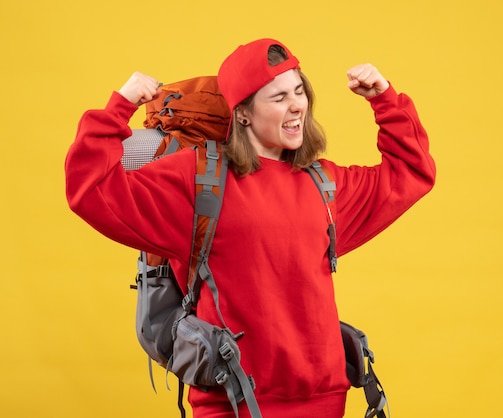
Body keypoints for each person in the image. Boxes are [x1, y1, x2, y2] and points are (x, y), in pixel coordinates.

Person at [65, 38, 436, 418]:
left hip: (325, 402)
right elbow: (90, 189)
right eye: (278, 98)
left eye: (299, 90)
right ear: (242, 113)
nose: (297, 105)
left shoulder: (324, 185)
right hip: (232, 403)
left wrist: (385, 100)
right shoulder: (197, 180)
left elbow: (411, 172)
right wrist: (120, 106)